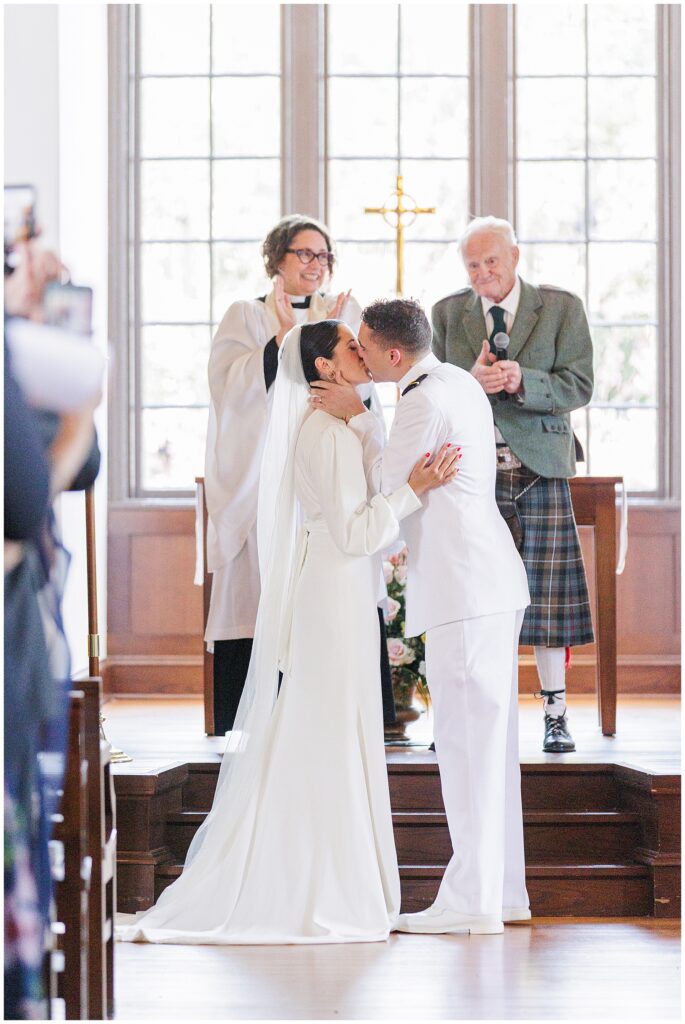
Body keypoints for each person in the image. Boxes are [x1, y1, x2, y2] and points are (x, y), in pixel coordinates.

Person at [118, 321, 459, 945]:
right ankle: (319, 884)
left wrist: (364, 418)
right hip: (331, 593)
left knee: (337, 727)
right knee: (328, 731)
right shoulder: (324, 433)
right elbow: (359, 534)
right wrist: (416, 489)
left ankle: (339, 877)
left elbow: (363, 481)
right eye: (350, 349)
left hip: (340, 589)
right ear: (325, 369)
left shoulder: (342, 422)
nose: (362, 353)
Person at [311, 298, 530, 935]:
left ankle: (470, 903)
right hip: (487, 582)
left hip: (464, 589)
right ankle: (502, 892)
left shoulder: (419, 400)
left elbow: (385, 492)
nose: (361, 357)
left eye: (366, 348)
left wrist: (360, 418)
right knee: (490, 748)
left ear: (394, 355)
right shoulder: (457, 379)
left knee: (465, 748)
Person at [204, 213, 396, 734]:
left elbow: (370, 385)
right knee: (259, 587)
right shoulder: (246, 314)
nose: (315, 264)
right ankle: (257, 720)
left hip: (332, 467)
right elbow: (226, 387)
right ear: (277, 259)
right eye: (304, 254)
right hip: (261, 477)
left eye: (323, 255)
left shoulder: (346, 313)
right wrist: (281, 346)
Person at [431, 216, 595, 752]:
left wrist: (526, 379)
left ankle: (555, 713)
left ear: (515, 256)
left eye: (491, 262)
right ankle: (472, 714)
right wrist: (468, 384)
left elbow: (580, 384)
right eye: (472, 265)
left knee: (547, 601)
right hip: (472, 479)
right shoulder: (447, 314)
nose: (482, 273)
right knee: (475, 599)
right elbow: (429, 392)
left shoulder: (562, 307)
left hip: (541, 468)